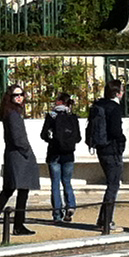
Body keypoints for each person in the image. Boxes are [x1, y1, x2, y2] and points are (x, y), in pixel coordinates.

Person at [0, 86, 39, 235]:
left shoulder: (12, 112)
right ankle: (16, 225)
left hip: (16, 155)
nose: (19, 97)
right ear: (10, 97)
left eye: (21, 94)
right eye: (16, 95)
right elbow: (17, 137)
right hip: (19, 156)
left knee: (12, 190)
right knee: (18, 190)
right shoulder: (13, 114)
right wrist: (26, 150)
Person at [84, 79, 128, 234]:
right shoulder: (114, 107)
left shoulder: (98, 105)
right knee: (113, 185)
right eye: (122, 89)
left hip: (100, 148)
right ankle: (106, 221)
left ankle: (103, 219)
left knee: (111, 184)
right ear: (117, 92)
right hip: (112, 149)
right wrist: (122, 141)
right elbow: (116, 130)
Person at [39, 92, 82, 226]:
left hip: (54, 154)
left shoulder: (51, 116)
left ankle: (57, 214)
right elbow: (78, 137)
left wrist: (53, 140)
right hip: (69, 154)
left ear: (59, 102)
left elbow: (43, 135)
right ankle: (71, 205)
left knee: (55, 184)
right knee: (67, 181)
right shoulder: (72, 117)